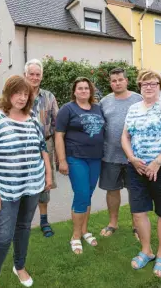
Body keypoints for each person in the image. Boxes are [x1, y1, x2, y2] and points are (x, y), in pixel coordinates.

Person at [0, 75, 52, 288]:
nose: (21, 98)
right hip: (5, 190)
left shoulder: (32, 119)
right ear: (8, 94)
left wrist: (47, 175)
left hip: (32, 186)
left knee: (24, 228)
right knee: (3, 237)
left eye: (25, 94)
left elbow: (42, 148)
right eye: (17, 93)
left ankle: (19, 266)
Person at [121, 69, 161, 278]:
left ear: (159, 86)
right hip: (137, 168)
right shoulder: (133, 109)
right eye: (144, 83)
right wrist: (131, 158)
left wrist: (157, 162)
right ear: (140, 87)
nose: (148, 87)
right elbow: (125, 137)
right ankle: (146, 250)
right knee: (138, 211)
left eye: (153, 83)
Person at [55, 77, 105, 254]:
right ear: (74, 91)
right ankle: (75, 236)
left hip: (96, 158)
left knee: (88, 195)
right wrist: (62, 160)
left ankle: (85, 230)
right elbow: (59, 135)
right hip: (76, 158)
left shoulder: (98, 109)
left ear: (90, 91)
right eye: (80, 88)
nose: (84, 91)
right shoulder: (67, 109)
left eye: (86, 88)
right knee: (82, 194)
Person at [98, 68, 143, 240]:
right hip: (110, 155)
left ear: (126, 81)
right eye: (113, 80)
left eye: (120, 80)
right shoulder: (104, 102)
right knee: (112, 190)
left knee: (135, 191)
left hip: (134, 157)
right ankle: (112, 223)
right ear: (110, 83)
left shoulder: (138, 99)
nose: (117, 83)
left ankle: (137, 225)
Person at [24, 59, 59, 238]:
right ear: (25, 75)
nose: (35, 77)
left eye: (38, 74)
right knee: (24, 181)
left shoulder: (49, 97)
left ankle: (44, 220)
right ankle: (23, 222)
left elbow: (57, 124)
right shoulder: (18, 94)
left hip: (46, 144)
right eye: (32, 74)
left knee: (46, 182)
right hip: (23, 146)